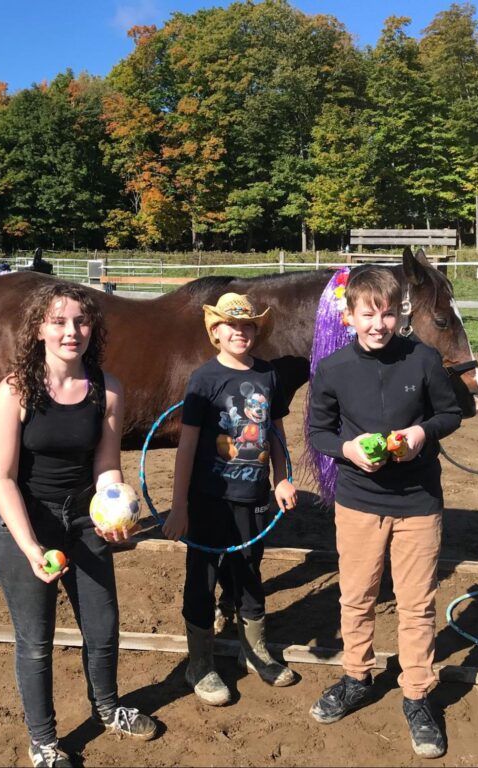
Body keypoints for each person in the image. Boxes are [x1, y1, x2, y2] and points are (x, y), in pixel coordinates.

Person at [0, 282, 157, 768]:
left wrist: (114, 509)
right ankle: (43, 742)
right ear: (39, 329)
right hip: (28, 520)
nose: (71, 332)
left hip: (83, 522)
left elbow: (107, 466)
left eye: (80, 322)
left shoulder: (108, 388)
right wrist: (29, 546)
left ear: (92, 329)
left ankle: (108, 708)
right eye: (58, 322)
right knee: (36, 643)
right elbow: (1, 476)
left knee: (103, 630)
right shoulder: (17, 388)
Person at [308, 266, 462, 758]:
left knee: (417, 603)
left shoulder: (423, 359)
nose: (378, 323)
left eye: (388, 313)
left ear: (401, 315)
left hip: (417, 502)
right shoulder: (332, 369)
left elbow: (449, 413)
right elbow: (318, 432)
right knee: (356, 597)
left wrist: (422, 434)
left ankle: (417, 694)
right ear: (349, 316)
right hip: (358, 504)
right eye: (368, 314)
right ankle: (357, 676)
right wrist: (347, 450)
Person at [162, 292, 298, 705]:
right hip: (208, 497)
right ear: (215, 332)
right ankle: (199, 664)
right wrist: (180, 505)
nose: (239, 332)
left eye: (247, 325)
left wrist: (281, 479)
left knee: (250, 573)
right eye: (230, 326)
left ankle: (253, 652)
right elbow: (186, 446)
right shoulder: (203, 378)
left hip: (254, 496)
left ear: (256, 331)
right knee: (202, 576)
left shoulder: (269, 376)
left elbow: (274, 433)